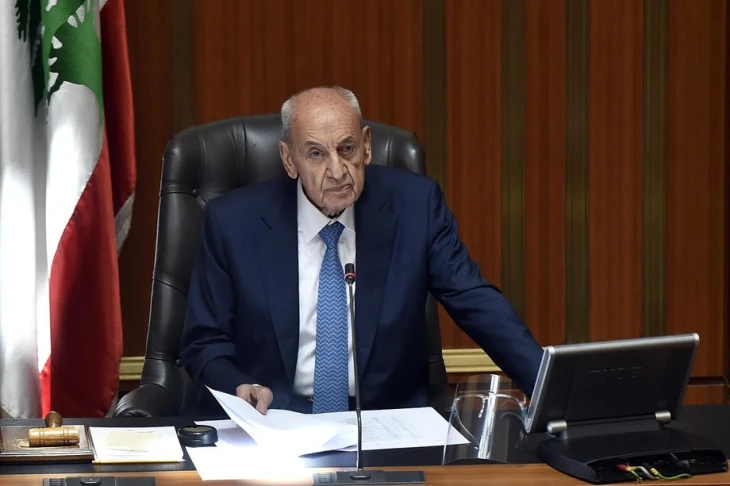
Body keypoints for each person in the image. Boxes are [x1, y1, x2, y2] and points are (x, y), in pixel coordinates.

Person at [180, 86, 544, 415]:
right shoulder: (234, 223)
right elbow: (204, 341)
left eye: (347, 149)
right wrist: (239, 387)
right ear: (289, 160)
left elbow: (475, 301)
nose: (337, 170)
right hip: (273, 422)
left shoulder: (415, 207)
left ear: (366, 146)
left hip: (384, 421)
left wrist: (544, 384)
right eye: (316, 154)